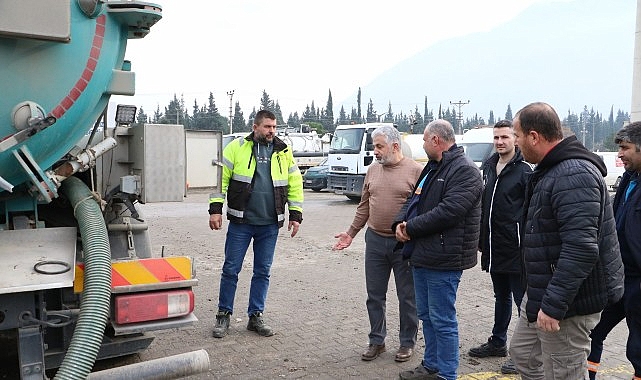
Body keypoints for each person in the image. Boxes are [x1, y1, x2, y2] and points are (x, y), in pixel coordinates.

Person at [508, 102, 624, 380]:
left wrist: (554, 305)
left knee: (564, 371)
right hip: (542, 290)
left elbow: (581, 249)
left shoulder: (573, 173)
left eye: (518, 136)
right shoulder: (551, 169)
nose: (516, 143)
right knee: (523, 354)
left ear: (534, 136)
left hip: (570, 302)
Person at [393, 119, 483, 380]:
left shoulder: (464, 170)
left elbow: (450, 211)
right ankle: (430, 366)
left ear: (436, 140)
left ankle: (447, 374)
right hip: (422, 254)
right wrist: (399, 223)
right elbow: (414, 200)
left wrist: (411, 228)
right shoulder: (432, 167)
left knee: (442, 319)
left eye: (423, 140)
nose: (422, 144)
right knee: (427, 316)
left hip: (445, 257)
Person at [208, 109, 304, 338]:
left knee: (263, 271)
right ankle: (223, 315)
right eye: (267, 127)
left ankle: (256, 316)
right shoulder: (237, 148)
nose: (272, 131)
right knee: (231, 269)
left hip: (270, 224)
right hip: (241, 222)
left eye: (274, 127)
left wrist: (296, 213)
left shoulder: (283, 151)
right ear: (256, 127)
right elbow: (219, 179)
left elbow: (294, 181)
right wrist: (215, 210)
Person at [333, 125, 423, 363]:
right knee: (374, 295)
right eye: (375, 146)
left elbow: (423, 209)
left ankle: (407, 343)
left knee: (407, 297)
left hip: (403, 244)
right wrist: (351, 233)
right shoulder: (372, 170)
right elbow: (364, 205)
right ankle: (377, 340)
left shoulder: (416, 171)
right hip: (374, 241)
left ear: (395, 146)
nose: (375, 151)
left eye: (379, 146)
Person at [468, 120, 531, 375]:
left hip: (516, 249)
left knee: (522, 304)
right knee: (501, 297)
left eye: (505, 137)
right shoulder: (490, 166)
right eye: (496, 138)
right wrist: (482, 240)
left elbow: (530, 212)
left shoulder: (525, 171)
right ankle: (497, 342)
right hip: (494, 248)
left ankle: (523, 355)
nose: (500, 142)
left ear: (515, 139)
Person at [587, 122, 641, 380]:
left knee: (638, 350)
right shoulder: (630, 179)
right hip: (618, 277)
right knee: (592, 333)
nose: (619, 154)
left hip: (638, 284)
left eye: (625, 148)